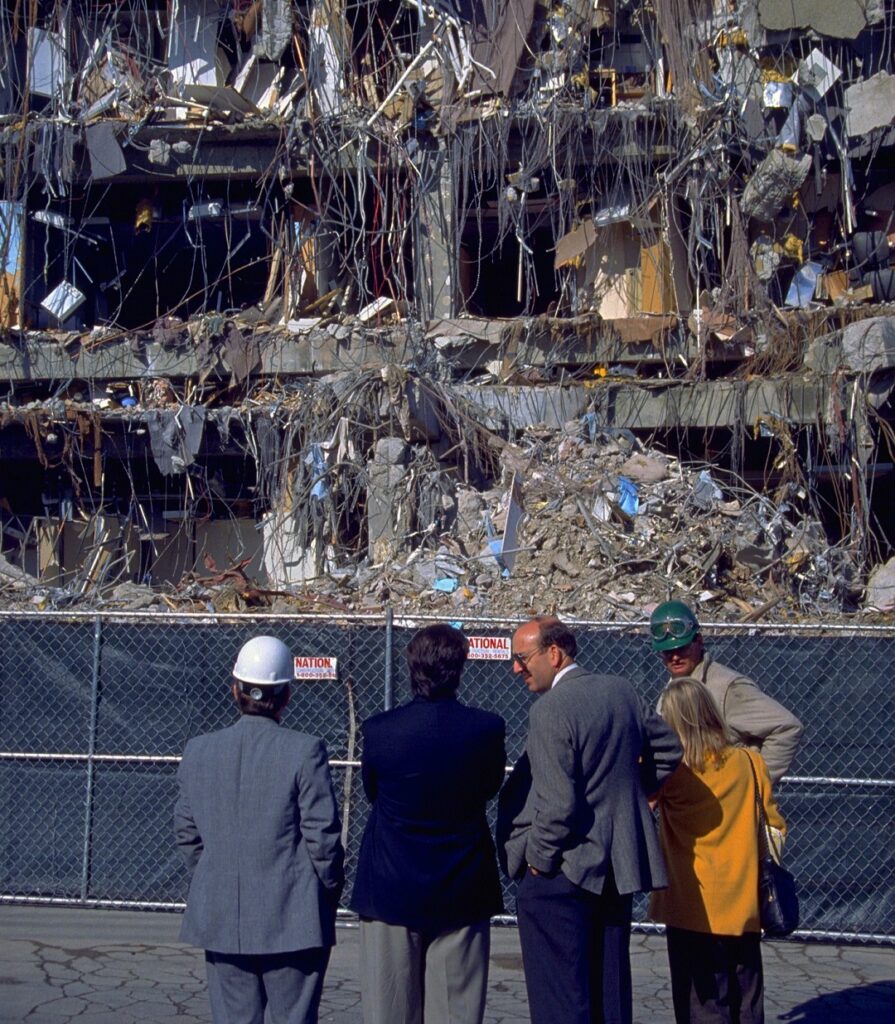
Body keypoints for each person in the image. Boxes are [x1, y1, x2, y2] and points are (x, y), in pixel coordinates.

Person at [498, 616, 683, 1024]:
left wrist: (538, 859)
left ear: (554, 653)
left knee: (559, 998)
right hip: (616, 867)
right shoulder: (621, 692)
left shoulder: (549, 710)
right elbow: (670, 749)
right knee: (610, 987)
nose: (516, 668)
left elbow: (558, 804)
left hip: (562, 870)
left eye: (522, 658)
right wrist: (636, 794)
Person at [174, 635, 344, 1024]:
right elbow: (322, 837)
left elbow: (187, 835)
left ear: (234, 689)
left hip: (221, 915)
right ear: (286, 695)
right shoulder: (305, 749)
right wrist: (325, 889)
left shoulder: (199, 750)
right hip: (293, 915)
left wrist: (217, 877)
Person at [350, 623, 506, 1024]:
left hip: (390, 887)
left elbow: (373, 793)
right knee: (457, 1013)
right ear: (460, 667)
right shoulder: (486, 729)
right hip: (462, 885)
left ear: (411, 665)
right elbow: (489, 788)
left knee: (389, 1012)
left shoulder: (380, 731)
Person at [650, 676, 786, 1023]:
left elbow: (642, 804)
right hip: (744, 903)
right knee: (748, 999)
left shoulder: (671, 773)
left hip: (691, 904)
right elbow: (774, 823)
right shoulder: (749, 763)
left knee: (703, 1002)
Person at [649, 600, 803, 783]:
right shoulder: (671, 689)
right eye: (667, 652)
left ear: (698, 641)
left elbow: (786, 727)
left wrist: (756, 784)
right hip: (691, 799)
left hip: (725, 802)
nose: (675, 657)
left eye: (682, 649)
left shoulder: (727, 688)